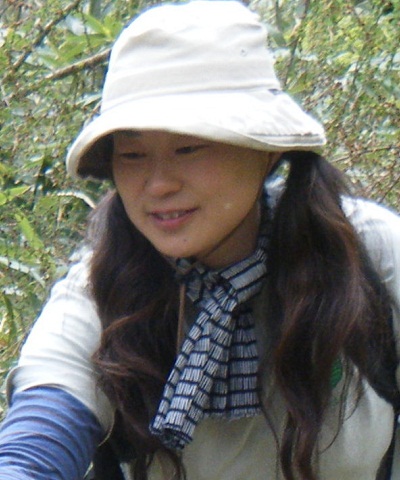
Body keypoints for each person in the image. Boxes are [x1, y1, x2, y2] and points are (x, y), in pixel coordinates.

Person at [0, 1, 399, 479]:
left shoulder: (367, 253)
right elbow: (41, 430)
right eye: (132, 155)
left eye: (189, 147)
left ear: (266, 152)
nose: (158, 185)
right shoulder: (104, 286)